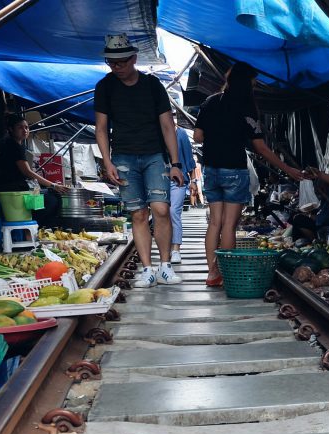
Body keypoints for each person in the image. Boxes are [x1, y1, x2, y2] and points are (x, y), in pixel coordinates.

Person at [194, 60, 304, 286]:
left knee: (214, 222)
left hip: (211, 169)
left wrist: (216, 136)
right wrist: (288, 169)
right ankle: (223, 272)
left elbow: (197, 137)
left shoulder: (210, 101)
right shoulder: (247, 107)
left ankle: (211, 273)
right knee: (229, 225)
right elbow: (261, 148)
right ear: (247, 85)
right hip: (234, 169)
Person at [94, 33, 185, 287]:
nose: (117, 67)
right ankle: (147, 269)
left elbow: (168, 125)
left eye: (122, 62)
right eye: (112, 63)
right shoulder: (105, 86)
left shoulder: (153, 85)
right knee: (138, 214)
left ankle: (165, 266)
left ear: (134, 58)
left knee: (161, 209)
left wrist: (176, 164)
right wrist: (107, 161)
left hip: (155, 155)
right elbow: (101, 128)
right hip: (123, 157)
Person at [0, 114, 69, 196]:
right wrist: (53, 185)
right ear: (11, 129)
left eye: (26, 127)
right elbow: (27, 172)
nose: (25, 130)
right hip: (11, 188)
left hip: (9, 186)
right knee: (51, 195)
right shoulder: (14, 146)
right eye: (20, 127)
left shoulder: (14, 144)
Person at [168, 112, 197, 263]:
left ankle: (176, 249)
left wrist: (193, 181)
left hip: (178, 180)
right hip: (158, 179)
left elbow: (189, 158)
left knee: (174, 212)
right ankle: (165, 249)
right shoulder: (155, 132)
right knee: (161, 214)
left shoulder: (181, 133)